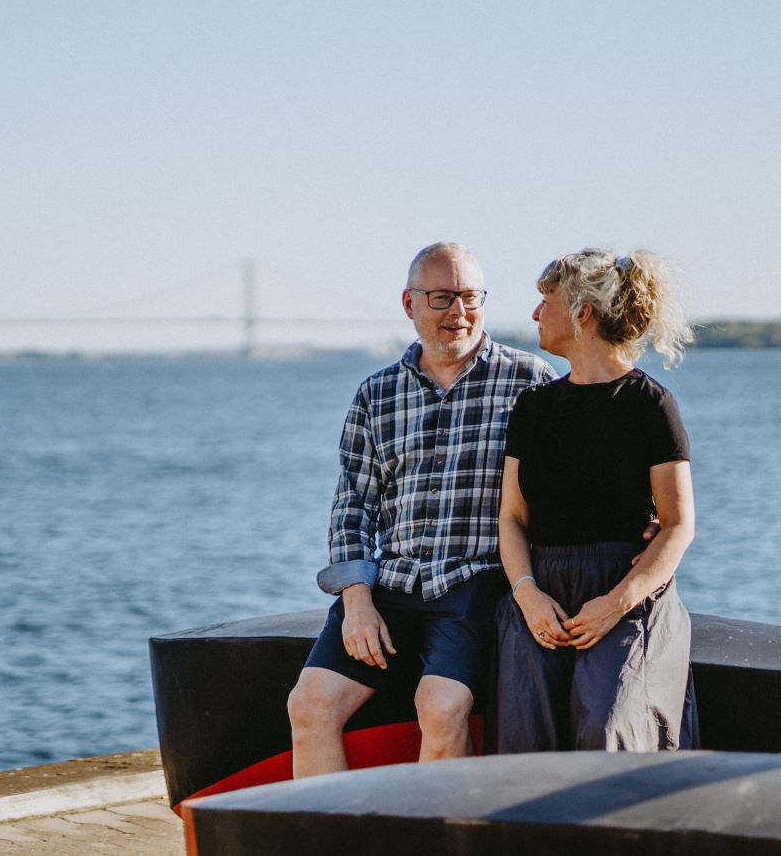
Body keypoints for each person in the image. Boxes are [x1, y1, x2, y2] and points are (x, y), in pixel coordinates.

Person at [285, 242, 556, 777]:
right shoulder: (376, 394)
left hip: (479, 581)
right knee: (309, 704)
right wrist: (357, 598)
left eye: (470, 297)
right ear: (409, 304)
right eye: (441, 298)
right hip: (392, 584)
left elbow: (575, 482)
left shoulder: (531, 383)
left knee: (441, 707)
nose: (459, 312)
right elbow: (351, 506)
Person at [492, 247, 697, 753]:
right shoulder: (534, 406)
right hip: (540, 595)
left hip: (626, 594)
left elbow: (677, 526)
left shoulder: (650, 405)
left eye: (546, 300)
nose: (536, 313)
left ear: (582, 311)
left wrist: (615, 604)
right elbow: (513, 518)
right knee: (526, 740)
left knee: (609, 729)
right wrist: (527, 595)